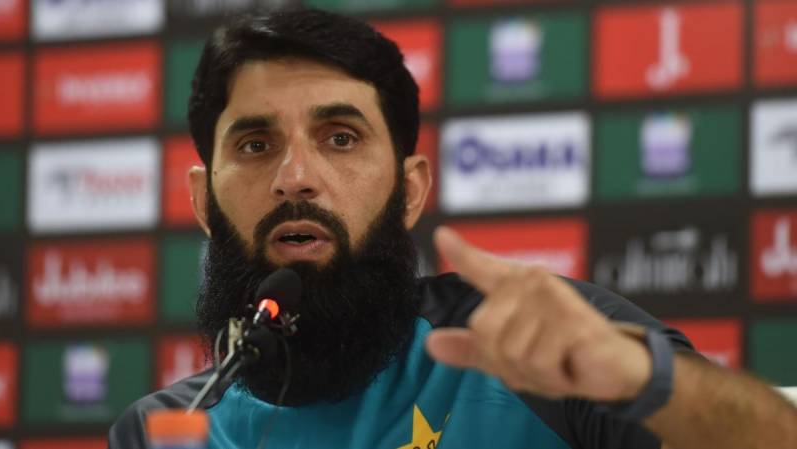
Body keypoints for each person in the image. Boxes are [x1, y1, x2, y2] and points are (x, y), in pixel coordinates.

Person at [109, 8, 797, 449]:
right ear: (203, 201)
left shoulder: (535, 352)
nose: (295, 177)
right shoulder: (162, 432)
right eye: (256, 145)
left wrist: (645, 380)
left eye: (341, 138)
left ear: (410, 190)